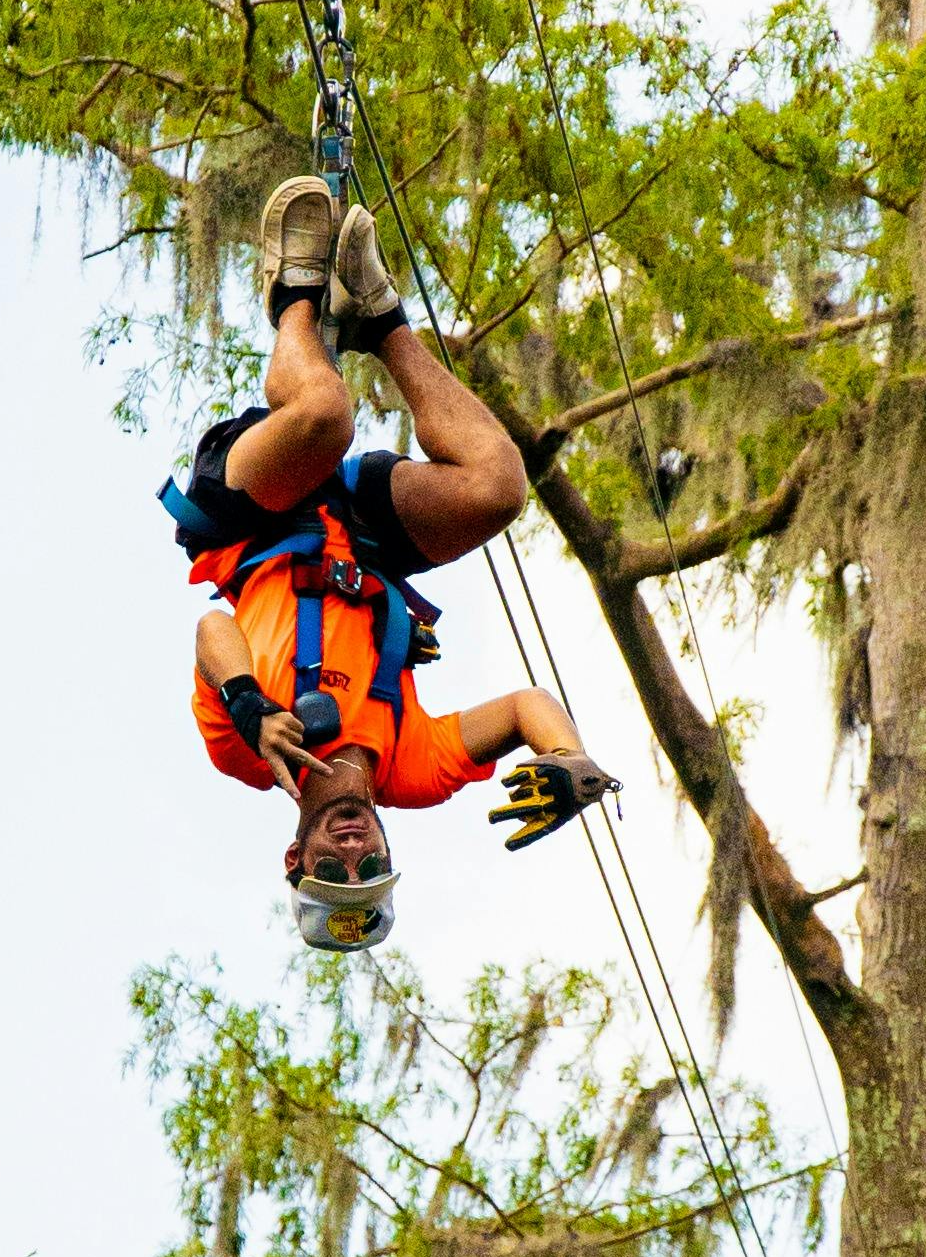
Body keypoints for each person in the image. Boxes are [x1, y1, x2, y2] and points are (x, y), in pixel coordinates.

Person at [171, 174, 622, 953]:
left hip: (253, 513)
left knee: (325, 414)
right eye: (370, 868)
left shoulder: (247, 755)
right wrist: (569, 757)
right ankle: (379, 319)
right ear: (387, 850)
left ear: (295, 858)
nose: (353, 852)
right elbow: (525, 706)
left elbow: (214, 630)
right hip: (361, 532)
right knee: (498, 489)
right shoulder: (411, 771)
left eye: (332, 870)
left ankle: (295, 301)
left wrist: (250, 704)